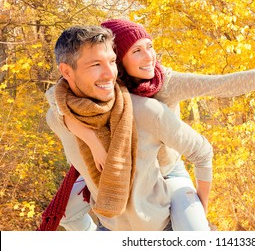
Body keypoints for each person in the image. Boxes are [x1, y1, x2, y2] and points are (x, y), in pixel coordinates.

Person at [40, 19, 255, 231]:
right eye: (136, 51)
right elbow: (58, 99)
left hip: (168, 169)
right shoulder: (107, 81)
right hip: (123, 165)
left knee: (192, 227)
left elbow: (227, 84)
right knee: (63, 211)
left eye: (150, 47)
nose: (149, 57)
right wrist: (89, 138)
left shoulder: (165, 85)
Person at [42, 25, 213, 231]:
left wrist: (200, 213)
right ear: (66, 71)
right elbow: (57, 101)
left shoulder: (145, 111)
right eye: (96, 64)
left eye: (112, 61)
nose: (109, 74)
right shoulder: (58, 118)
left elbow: (201, 152)